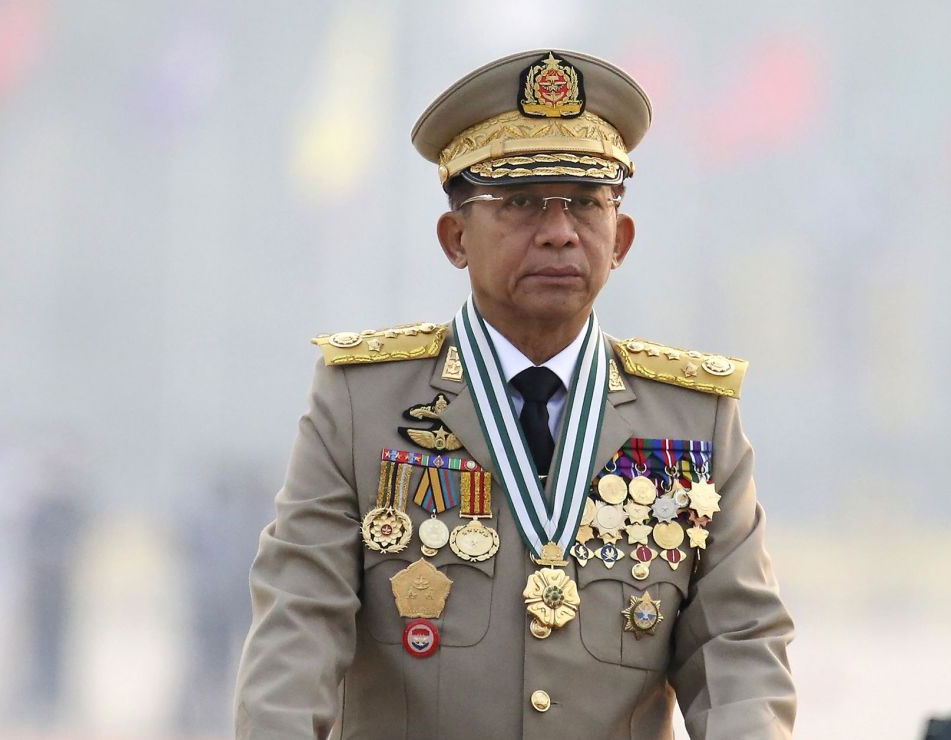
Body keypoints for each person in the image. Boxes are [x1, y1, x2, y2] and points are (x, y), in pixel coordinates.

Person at [234, 49, 796, 740]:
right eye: (522, 202)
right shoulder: (361, 405)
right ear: (455, 236)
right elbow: (299, 627)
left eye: (586, 204)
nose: (559, 231)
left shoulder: (693, 417)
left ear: (619, 238)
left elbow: (738, 644)